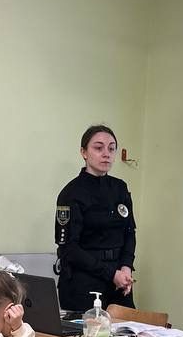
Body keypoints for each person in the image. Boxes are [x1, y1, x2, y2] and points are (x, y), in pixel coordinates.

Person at [54, 125, 136, 312]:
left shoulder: (120, 188)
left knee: (130, 327)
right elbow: (69, 249)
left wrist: (126, 267)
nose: (106, 154)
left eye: (111, 149)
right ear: (84, 152)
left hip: (119, 280)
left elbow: (129, 232)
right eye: (98, 148)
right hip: (83, 282)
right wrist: (111, 273)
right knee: (91, 330)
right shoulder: (71, 193)